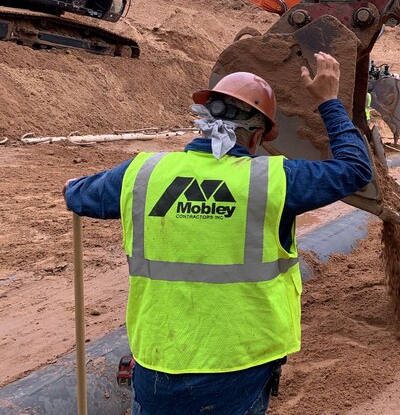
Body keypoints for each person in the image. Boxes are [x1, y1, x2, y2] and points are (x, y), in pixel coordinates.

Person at [63, 52, 372, 415]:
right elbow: (354, 169)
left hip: (158, 360)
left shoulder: (141, 173)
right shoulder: (274, 180)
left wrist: (73, 187)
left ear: (203, 122)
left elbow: (76, 194)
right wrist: (329, 102)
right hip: (239, 362)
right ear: (257, 136)